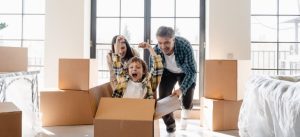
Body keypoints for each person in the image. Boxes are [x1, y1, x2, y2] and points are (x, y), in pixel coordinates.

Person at [149, 26, 197, 134]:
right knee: (163, 100)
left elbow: (192, 72)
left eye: (166, 42)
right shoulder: (156, 50)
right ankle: (171, 127)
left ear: (173, 39)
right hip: (167, 73)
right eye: (160, 42)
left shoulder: (185, 46)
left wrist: (181, 90)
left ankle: (185, 110)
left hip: (185, 72)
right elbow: (152, 72)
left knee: (187, 99)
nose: (163, 46)